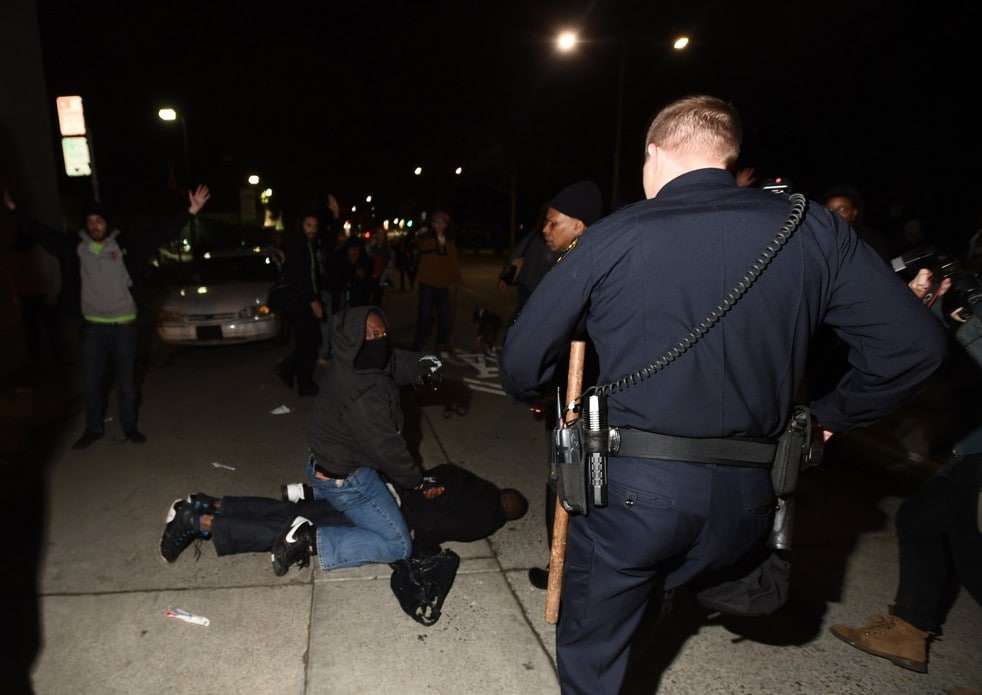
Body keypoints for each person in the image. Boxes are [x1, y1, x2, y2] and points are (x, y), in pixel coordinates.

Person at [499, 95, 947, 693]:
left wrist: (536, 392)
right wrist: (830, 417)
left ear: (654, 153)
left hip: (634, 497)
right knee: (672, 580)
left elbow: (522, 359)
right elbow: (915, 348)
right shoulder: (808, 225)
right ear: (726, 154)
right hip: (751, 500)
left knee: (595, 644)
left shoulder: (617, 234)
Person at [4, 185, 211, 448]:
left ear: (106, 223)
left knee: (126, 383)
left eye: (98, 220)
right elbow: (42, 233)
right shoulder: (75, 248)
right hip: (93, 328)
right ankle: (93, 429)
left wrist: (190, 210)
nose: (94, 225)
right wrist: (14, 211)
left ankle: (130, 428)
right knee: (92, 382)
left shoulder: (126, 246)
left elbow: (160, 234)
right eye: (90, 221)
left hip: (124, 325)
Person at [271, 306, 446, 575]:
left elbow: (393, 361)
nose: (380, 340)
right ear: (354, 339)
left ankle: (309, 492)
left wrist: (423, 362)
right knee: (398, 545)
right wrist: (418, 481)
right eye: (371, 335)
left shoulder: (351, 359)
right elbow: (388, 450)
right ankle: (309, 538)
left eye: (383, 333)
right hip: (349, 480)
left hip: (334, 461)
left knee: (391, 497)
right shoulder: (363, 395)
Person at [159, 464, 528, 563]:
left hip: (375, 488)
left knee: (293, 509)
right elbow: (432, 528)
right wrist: (419, 547)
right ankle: (200, 521)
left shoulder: (462, 478)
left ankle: (210, 503)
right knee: (296, 528)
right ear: (504, 517)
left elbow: (425, 475)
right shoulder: (482, 520)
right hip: (381, 512)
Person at [277, 213, 323, 396]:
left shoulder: (307, 244)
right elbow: (300, 277)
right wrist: (313, 302)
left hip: (304, 301)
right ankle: (304, 383)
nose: (312, 229)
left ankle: (289, 370)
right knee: (309, 344)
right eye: (308, 225)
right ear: (301, 225)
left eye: (314, 226)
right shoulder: (298, 245)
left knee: (308, 343)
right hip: (302, 303)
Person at [413, 210, 461, 355]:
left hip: (444, 285)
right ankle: (419, 341)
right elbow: (419, 245)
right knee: (425, 315)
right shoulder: (426, 239)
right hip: (427, 283)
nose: (439, 225)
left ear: (446, 225)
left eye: (442, 222)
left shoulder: (450, 242)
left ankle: (441, 342)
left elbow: (453, 263)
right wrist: (422, 233)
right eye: (436, 222)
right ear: (432, 224)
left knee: (445, 316)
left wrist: (456, 280)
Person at [823, 184, 892, 261]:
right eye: (830, 211)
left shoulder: (871, 239)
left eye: (842, 210)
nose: (834, 214)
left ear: (854, 213)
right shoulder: (822, 240)